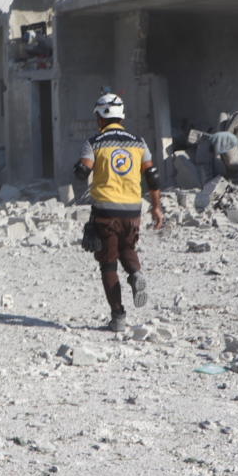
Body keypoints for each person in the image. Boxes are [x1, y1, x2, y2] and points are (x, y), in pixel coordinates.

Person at [73, 90, 163, 332]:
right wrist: (156, 207)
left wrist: (80, 166)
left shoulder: (95, 142)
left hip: (105, 212)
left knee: (108, 264)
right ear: (121, 117)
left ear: (100, 118)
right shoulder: (139, 142)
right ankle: (135, 273)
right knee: (127, 247)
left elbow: (82, 172)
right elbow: (153, 177)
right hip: (133, 212)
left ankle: (118, 317)